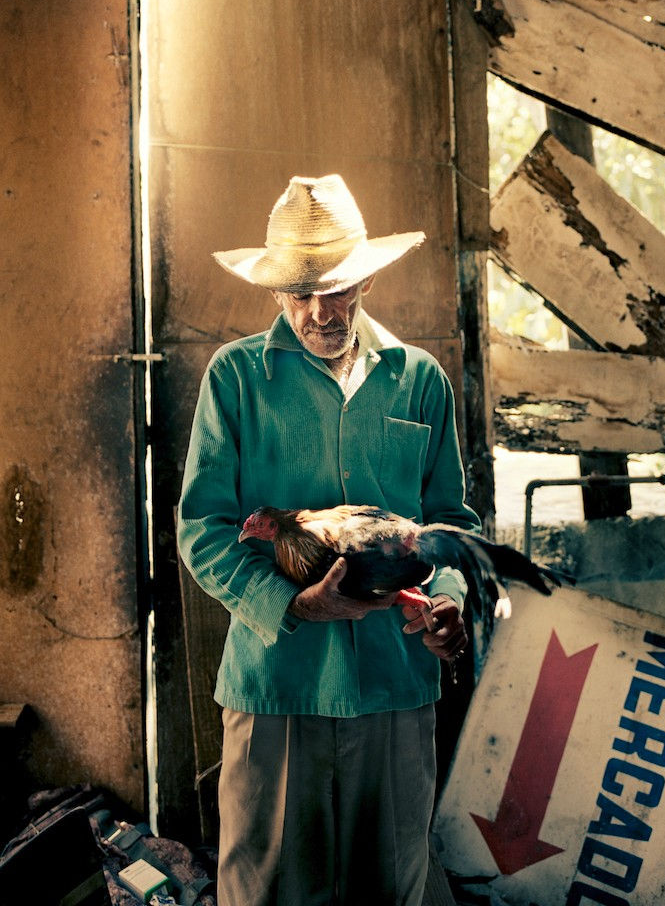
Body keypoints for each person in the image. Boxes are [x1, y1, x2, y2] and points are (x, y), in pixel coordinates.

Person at [176, 173, 480, 906]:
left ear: (366, 281)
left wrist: (446, 604)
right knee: (269, 888)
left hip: (394, 682)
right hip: (278, 681)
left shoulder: (419, 381)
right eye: (301, 292)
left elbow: (453, 525)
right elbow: (202, 526)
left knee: (389, 887)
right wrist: (293, 604)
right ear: (275, 293)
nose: (321, 311)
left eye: (338, 289)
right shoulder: (238, 378)